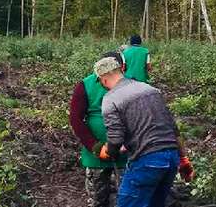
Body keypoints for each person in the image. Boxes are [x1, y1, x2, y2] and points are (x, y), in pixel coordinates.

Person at [95, 57, 195, 207]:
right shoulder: (150, 89)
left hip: (147, 162)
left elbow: (115, 138)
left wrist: (108, 151)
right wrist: (183, 159)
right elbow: (173, 129)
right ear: (121, 70)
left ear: (103, 79)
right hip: (170, 159)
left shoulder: (110, 99)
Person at [69, 51, 127, 207]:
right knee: (98, 199)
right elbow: (75, 119)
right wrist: (95, 146)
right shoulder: (85, 85)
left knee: (128, 197)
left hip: (125, 153)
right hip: (97, 154)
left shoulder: (129, 84)